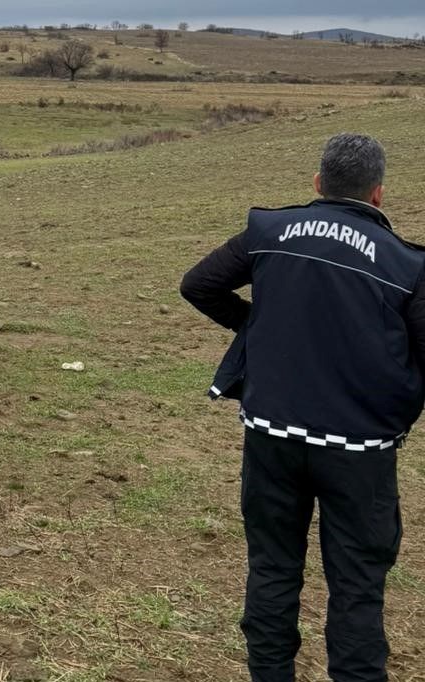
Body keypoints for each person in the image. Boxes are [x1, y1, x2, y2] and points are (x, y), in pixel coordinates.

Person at [181, 133, 423, 682]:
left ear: (317, 183)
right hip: (359, 450)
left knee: (271, 566)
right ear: (379, 194)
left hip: (271, 433)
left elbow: (199, 284)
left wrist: (257, 330)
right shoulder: (406, 264)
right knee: (358, 584)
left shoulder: (272, 230)